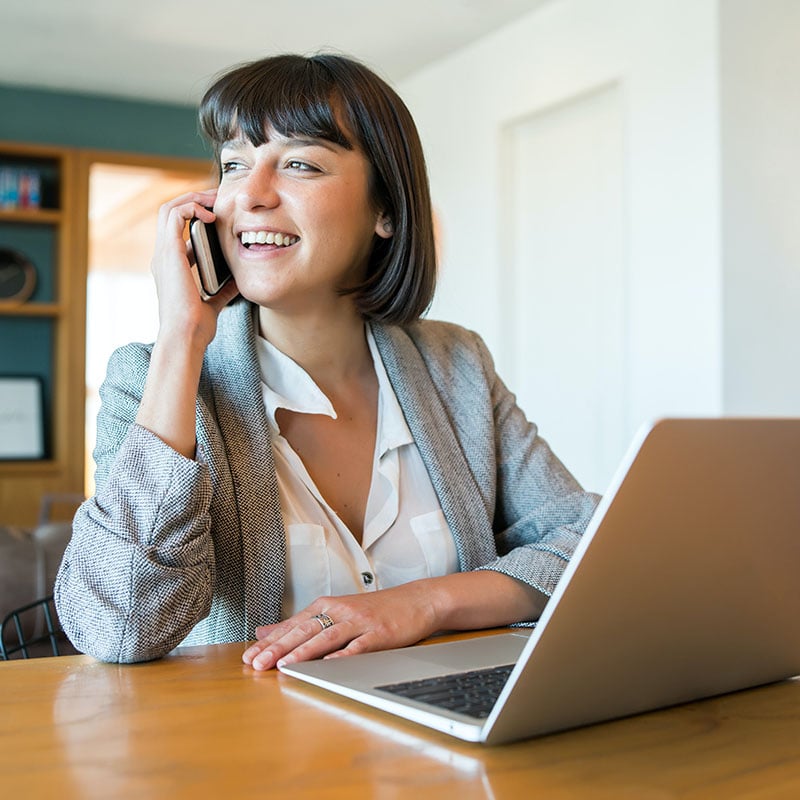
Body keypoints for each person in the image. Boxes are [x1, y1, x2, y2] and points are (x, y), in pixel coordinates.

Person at [55, 53, 600, 669]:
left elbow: (590, 543)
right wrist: (181, 337)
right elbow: (116, 627)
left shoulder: (457, 364)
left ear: (385, 211)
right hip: (247, 747)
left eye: (299, 164)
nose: (251, 196)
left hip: (444, 732)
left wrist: (422, 603)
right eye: (234, 165)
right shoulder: (152, 380)